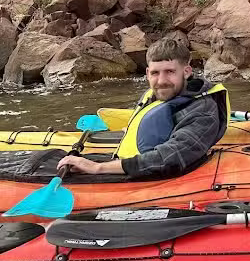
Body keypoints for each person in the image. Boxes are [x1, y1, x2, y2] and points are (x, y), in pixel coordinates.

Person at [56, 37, 230, 178]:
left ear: (186, 72)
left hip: (165, 177)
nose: (161, 81)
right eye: (155, 73)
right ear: (147, 73)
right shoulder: (155, 93)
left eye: (170, 72)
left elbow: (171, 157)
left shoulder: (203, 111)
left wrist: (98, 168)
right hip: (131, 159)